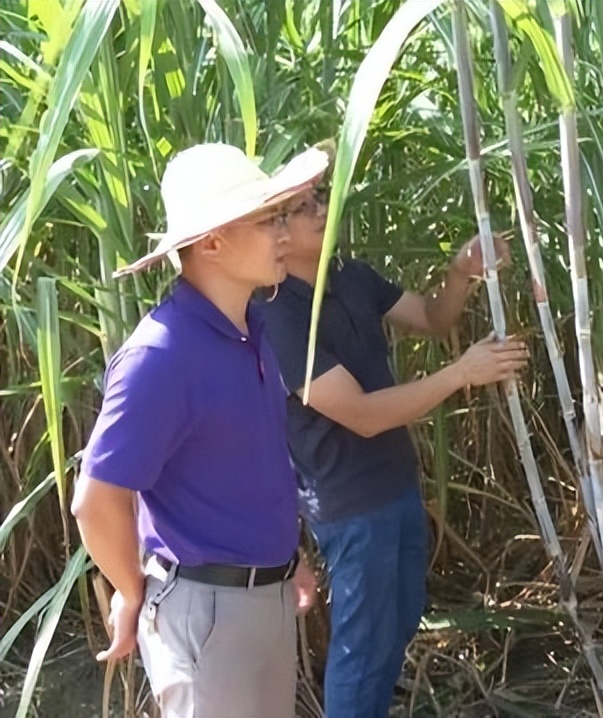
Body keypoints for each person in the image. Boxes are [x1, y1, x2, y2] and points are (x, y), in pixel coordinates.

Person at [71, 142, 329, 718]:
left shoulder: (250, 330)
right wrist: (134, 591)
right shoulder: (161, 356)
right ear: (211, 242)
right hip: (205, 614)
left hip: (265, 598)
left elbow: (246, 464)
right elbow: (96, 500)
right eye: (268, 220)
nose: (284, 232)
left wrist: (288, 557)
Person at [260, 177, 528, 718]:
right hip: (349, 504)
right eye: (302, 207)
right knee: (363, 651)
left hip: (396, 484)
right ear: (278, 233)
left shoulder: (352, 277)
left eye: (320, 198)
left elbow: (432, 317)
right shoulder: (275, 314)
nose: (321, 209)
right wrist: (461, 374)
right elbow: (360, 415)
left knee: (398, 623)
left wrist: (461, 272)